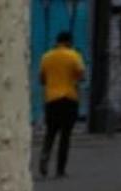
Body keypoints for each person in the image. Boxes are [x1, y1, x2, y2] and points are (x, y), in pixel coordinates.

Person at [39, 31, 84, 179]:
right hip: (69, 98)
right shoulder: (73, 55)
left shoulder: (46, 57)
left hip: (51, 99)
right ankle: (60, 169)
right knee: (65, 136)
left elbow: (42, 79)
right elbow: (81, 74)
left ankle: (45, 155)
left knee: (50, 133)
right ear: (69, 42)